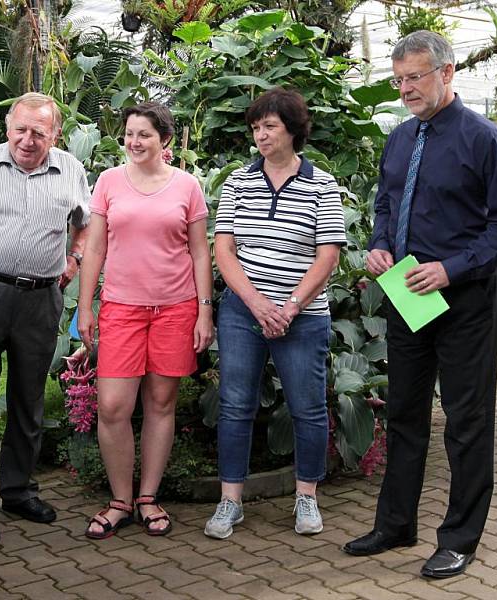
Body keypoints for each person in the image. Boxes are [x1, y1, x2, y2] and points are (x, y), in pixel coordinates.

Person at [342, 31, 497, 578]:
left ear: (448, 71)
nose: (406, 89)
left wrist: (451, 268)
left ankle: (460, 538)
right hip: (406, 298)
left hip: (463, 300)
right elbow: (387, 202)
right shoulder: (399, 139)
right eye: (399, 80)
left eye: (415, 77)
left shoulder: (484, 139)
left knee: (466, 421)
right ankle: (396, 524)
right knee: (405, 413)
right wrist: (380, 244)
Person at [0, 92, 90, 544]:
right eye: (20, 130)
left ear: (55, 134)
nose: (28, 141)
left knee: (28, 400)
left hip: (40, 299)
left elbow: (85, 220)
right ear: (8, 127)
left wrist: (76, 257)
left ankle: (17, 491)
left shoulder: (71, 168)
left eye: (39, 133)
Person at [204, 87, 346, 540]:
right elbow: (223, 250)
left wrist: (289, 306)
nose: (260, 135)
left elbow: (328, 256)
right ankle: (230, 501)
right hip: (244, 313)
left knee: (306, 407)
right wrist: (258, 304)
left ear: (293, 129)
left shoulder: (322, 184)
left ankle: (306, 496)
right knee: (234, 405)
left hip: (302, 317)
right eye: (256, 128)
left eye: (269, 126)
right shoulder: (238, 183)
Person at [77, 101, 214, 539]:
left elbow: (198, 252)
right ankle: (119, 499)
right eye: (130, 134)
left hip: (176, 308)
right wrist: (85, 306)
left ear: (165, 140)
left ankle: (148, 497)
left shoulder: (187, 186)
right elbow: (95, 248)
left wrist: (204, 311)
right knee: (114, 406)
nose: (135, 142)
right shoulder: (109, 182)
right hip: (121, 308)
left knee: (160, 404)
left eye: (145, 135)